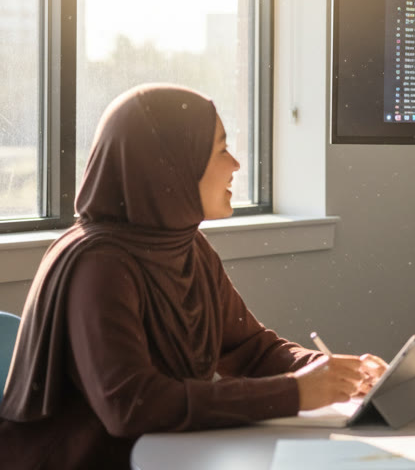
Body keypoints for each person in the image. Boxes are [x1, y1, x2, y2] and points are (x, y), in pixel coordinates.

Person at [0, 84, 387, 468]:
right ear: (167, 165)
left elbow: (251, 349)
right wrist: (294, 393)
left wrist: (335, 373)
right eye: (220, 149)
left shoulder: (188, 247)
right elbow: (131, 406)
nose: (235, 164)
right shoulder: (99, 266)